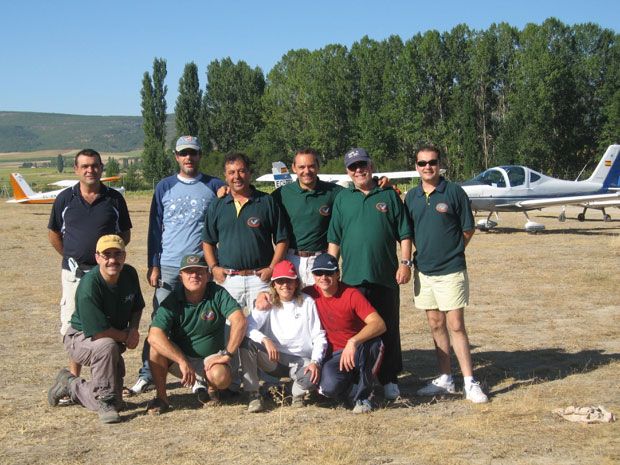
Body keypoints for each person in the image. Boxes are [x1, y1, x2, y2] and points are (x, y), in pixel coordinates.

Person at [129, 135, 227, 396]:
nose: (188, 158)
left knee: (204, 319)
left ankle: (206, 369)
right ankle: (148, 374)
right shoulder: (164, 186)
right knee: (159, 323)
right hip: (170, 266)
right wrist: (154, 264)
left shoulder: (215, 185)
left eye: (193, 153)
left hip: (200, 268)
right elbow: (154, 228)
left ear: (200, 155)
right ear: (176, 157)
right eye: (183, 153)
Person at [404, 145, 488, 403]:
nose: (427, 167)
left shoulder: (454, 192)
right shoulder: (411, 196)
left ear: (440, 164)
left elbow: (467, 229)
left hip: (451, 270)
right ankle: (445, 378)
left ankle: (469, 381)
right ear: (416, 166)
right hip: (424, 271)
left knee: (456, 326)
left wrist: (452, 252)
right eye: (422, 163)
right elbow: (408, 231)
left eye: (432, 162)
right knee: (436, 324)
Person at [327, 148, 412, 400]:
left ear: (371, 166)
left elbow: (404, 233)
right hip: (353, 280)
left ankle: (389, 379)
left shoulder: (389, 194)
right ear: (347, 171)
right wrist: (331, 271)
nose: (358, 170)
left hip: (385, 276)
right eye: (353, 167)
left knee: (388, 329)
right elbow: (334, 238)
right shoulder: (343, 199)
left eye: (362, 165)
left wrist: (405, 263)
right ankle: (356, 378)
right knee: (356, 332)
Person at [48, 149, 132, 378]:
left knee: (109, 322)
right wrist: (69, 255)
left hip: (105, 274)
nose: (90, 170)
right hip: (75, 273)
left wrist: (110, 259)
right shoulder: (65, 199)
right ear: (76, 169)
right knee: (74, 324)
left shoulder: (114, 199)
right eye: (84, 166)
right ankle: (73, 379)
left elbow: (125, 233)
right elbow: (54, 232)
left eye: (94, 165)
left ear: (101, 168)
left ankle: (110, 379)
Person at [47, 235, 144, 424]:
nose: (112, 260)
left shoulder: (130, 274)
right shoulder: (89, 284)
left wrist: (133, 329)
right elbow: (98, 332)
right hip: (80, 337)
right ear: (97, 257)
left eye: (117, 254)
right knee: (106, 346)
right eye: (106, 255)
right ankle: (105, 401)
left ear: (124, 256)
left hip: (110, 339)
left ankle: (71, 385)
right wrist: (126, 336)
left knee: (118, 402)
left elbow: (137, 306)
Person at [146, 254, 246, 414]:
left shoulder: (217, 293)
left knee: (221, 377)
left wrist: (227, 355)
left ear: (208, 275)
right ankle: (162, 398)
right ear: (181, 277)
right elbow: (153, 335)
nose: (194, 276)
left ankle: (212, 388)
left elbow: (240, 321)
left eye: (199, 271)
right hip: (182, 362)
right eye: (189, 272)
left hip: (211, 360)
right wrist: (182, 360)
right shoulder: (172, 300)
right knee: (155, 348)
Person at [240, 260, 327, 413]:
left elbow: (319, 336)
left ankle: (296, 393)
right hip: (274, 360)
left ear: (296, 283)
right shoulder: (268, 302)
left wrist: (315, 362)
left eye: (289, 280)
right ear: (273, 285)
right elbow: (248, 326)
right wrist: (265, 339)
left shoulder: (308, 302)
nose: (285, 285)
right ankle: (254, 394)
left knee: (311, 378)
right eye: (280, 281)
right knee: (247, 343)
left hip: (300, 361)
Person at [272, 148, 344, 287]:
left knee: (320, 306)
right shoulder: (281, 194)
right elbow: (256, 202)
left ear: (317, 166)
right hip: (290, 258)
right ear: (294, 168)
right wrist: (227, 191)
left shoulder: (334, 192)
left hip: (320, 259)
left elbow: (358, 193)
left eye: (311, 166)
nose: (307, 171)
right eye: (301, 167)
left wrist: (381, 183)